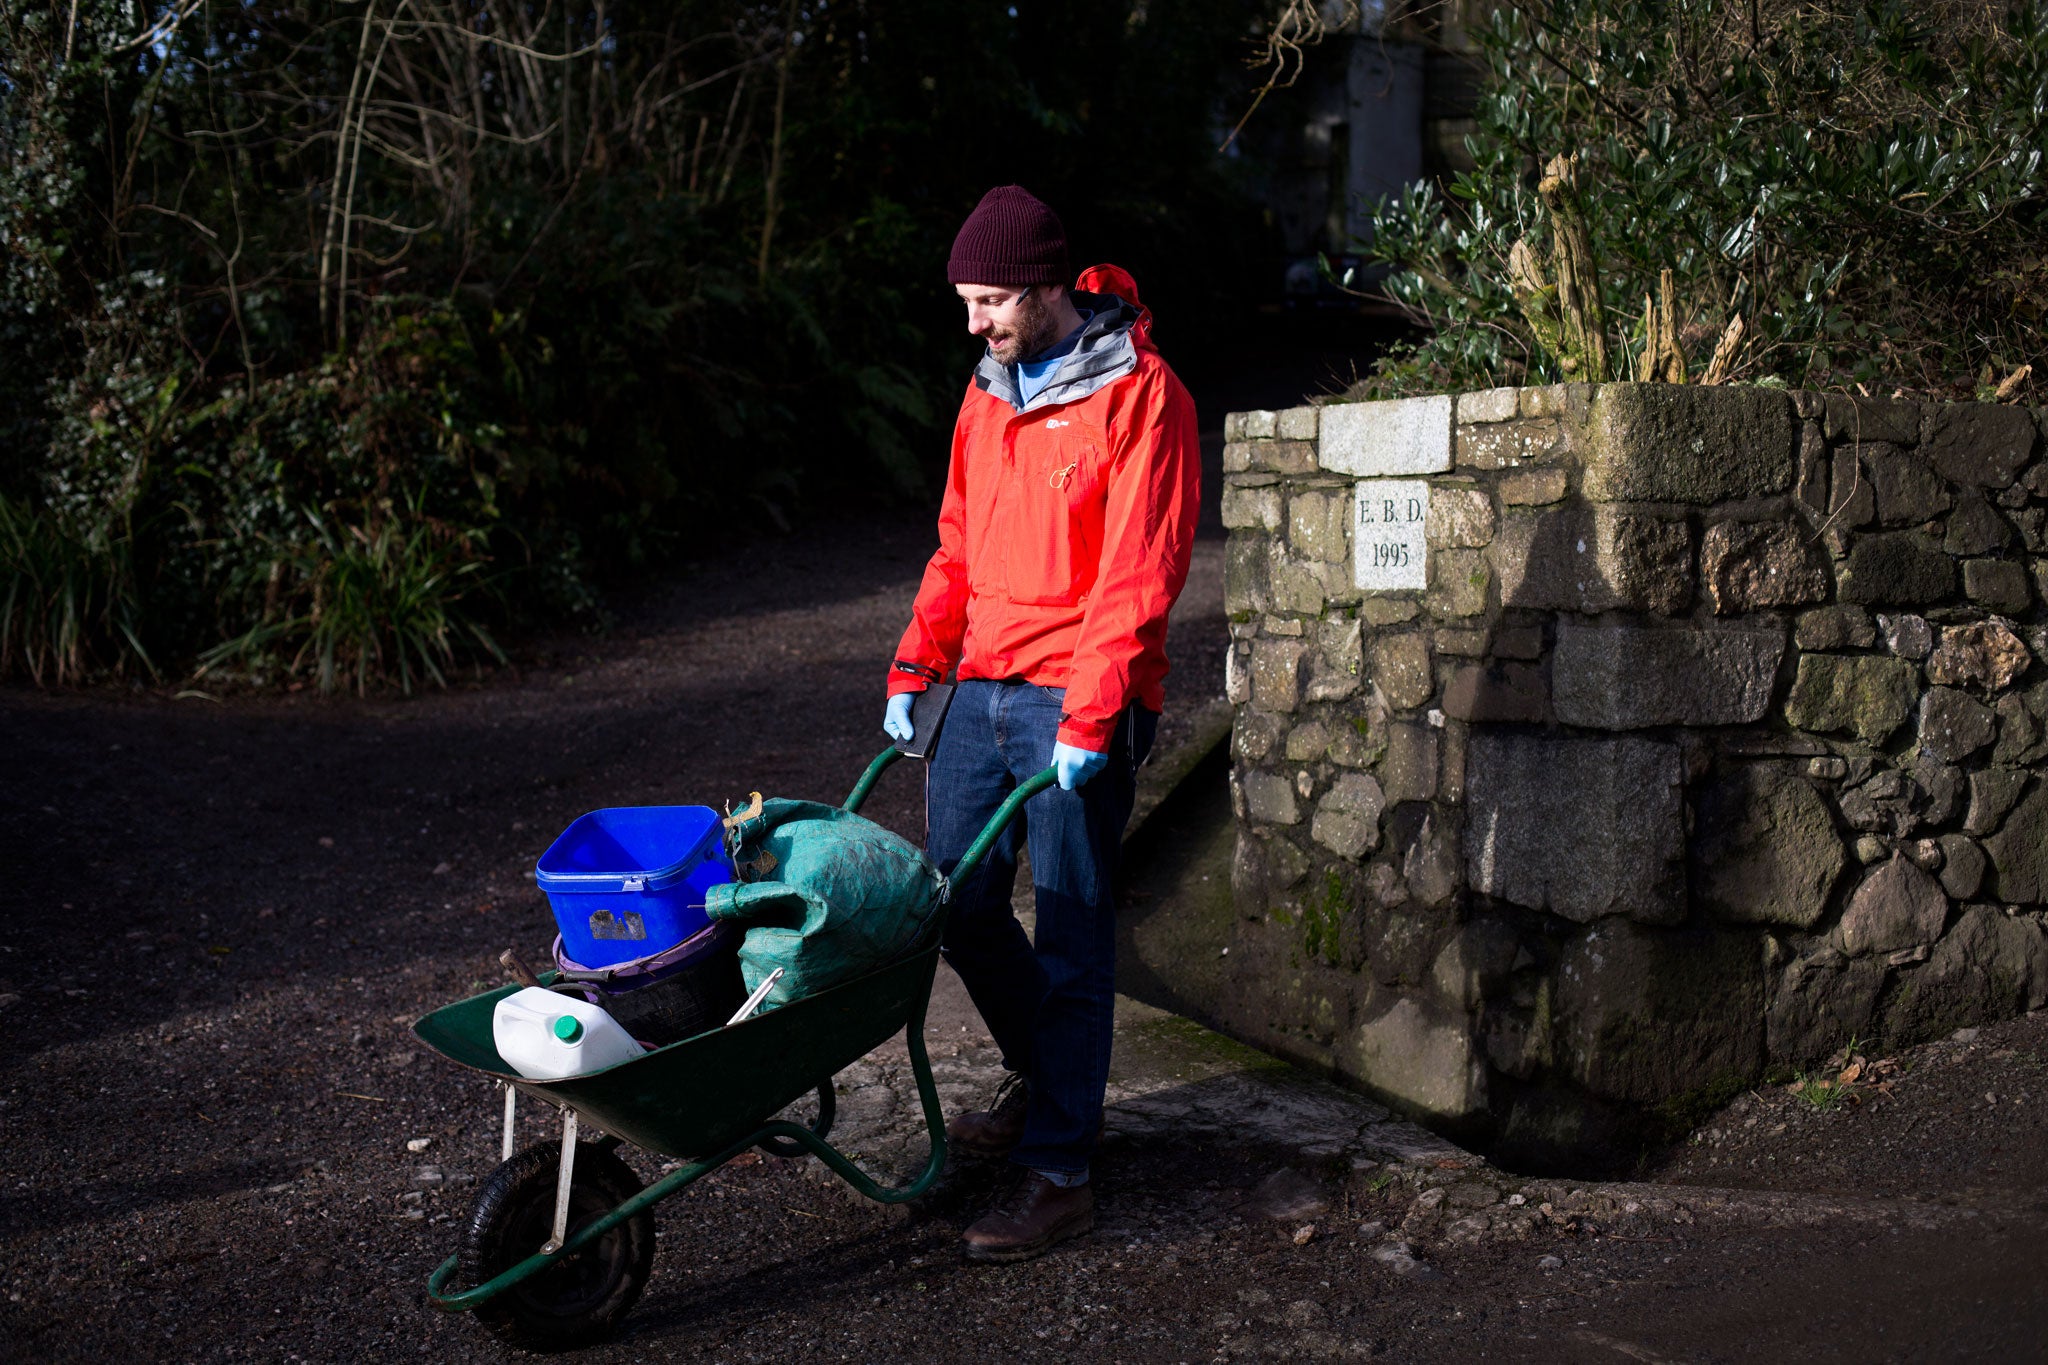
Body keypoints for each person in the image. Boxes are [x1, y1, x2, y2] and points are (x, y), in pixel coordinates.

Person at [881, 184, 1200, 1262]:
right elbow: (957, 544)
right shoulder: (987, 395)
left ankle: (1060, 1168)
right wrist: (917, 660)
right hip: (979, 688)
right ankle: (1052, 1080)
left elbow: (1139, 572)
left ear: (1042, 287)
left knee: (1069, 928)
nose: (973, 324)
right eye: (966, 304)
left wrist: (1092, 712)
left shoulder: (1141, 394)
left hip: (1077, 697)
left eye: (988, 303)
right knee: (958, 904)